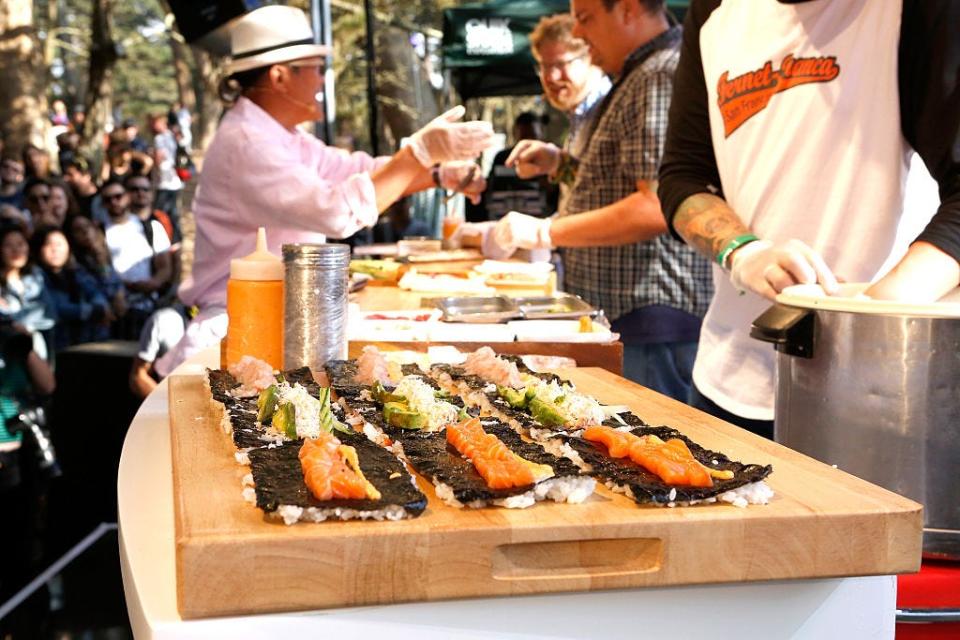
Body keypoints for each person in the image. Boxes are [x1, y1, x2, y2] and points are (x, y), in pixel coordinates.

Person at [656, 0, 960, 437]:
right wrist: (745, 253)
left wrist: (874, 315)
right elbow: (683, 177)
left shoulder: (910, 11)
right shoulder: (713, 12)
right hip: (729, 380)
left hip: (881, 398)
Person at [155, 5, 493, 378]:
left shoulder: (276, 135)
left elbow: (356, 171)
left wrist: (436, 172)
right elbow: (337, 211)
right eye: (316, 68)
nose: (322, 80)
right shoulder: (249, 143)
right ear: (280, 76)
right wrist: (419, 154)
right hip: (239, 330)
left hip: (275, 321)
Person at [488, 0, 714, 403]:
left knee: (653, 457)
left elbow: (656, 205)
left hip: (650, 316)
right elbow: (616, 178)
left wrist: (545, 230)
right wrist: (560, 164)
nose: (578, 33)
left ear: (627, 9)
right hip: (632, 317)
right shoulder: (637, 73)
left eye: (586, 17)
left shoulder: (658, 74)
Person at [529, 13, 611, 217]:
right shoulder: (581, 115)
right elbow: (590, 192)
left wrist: (544, 232)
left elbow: (618, 195)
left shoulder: (612, 107)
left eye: (560, 64)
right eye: (544, 66)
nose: (551, 77)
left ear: (590, 56)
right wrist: (556, 162)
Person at [100, 179, 173, 338]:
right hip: (115, 307)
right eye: (108, 199)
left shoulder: (151, 227)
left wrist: (154, 283)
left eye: (118, 196)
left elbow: (165, 267)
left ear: (127, 197)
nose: (114, 202)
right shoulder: (98, 233)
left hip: (148, 305)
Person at [32, 226, 112, 349]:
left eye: (59, 244)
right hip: (54, 344)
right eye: (49, 244)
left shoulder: (75, 272)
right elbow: (56, 308)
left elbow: (95, 292)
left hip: (84, 343)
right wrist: (92, 311)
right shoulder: (35, 275)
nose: (55, 250)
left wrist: (101, 307)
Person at [0, 225, 56, 360]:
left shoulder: (36, 276)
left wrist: (18, 323)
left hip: (40, 349)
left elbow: (50, 314)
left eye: (20, 244)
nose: (16, 250)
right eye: (8, 245)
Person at [67, 214, 127, 325]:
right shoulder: (74, 265)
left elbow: (114, 282)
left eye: (87, 226)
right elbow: (92, 291)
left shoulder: (103, 253)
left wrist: (120, 292)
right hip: (92, 322)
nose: (85, 232)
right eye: (78, 230)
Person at [63, 157, 109, 227]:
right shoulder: (69, 199)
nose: (66, 178)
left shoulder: (103, 198)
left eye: (71, 175)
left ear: (86, 176)